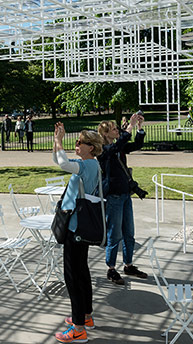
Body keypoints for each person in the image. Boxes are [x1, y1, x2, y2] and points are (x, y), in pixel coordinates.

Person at [51, 122, 104, 343]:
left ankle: (79, 328)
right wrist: (57, 140)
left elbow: (63, 162)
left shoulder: (89, 165)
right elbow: (58, 160)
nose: (76, 145)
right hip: (78, 227)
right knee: (81, 272)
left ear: (90, 147)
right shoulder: (87, 163)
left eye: (80, 142)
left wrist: (59, 141)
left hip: (76, 228)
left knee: (72, 277)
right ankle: (85, 316)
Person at [97, 113, 147, 285]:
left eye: (117, 128)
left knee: (129, 233)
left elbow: (136, 144)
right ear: (105, 134)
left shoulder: (118, 148)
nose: (117, 130)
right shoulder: (103, 151)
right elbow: (117, 146)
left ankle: (128, 265)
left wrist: (139, 127)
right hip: (114, 197)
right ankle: (111, 269)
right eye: (114, 129)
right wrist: (130, 126)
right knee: (114, 235)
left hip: (125, 195)